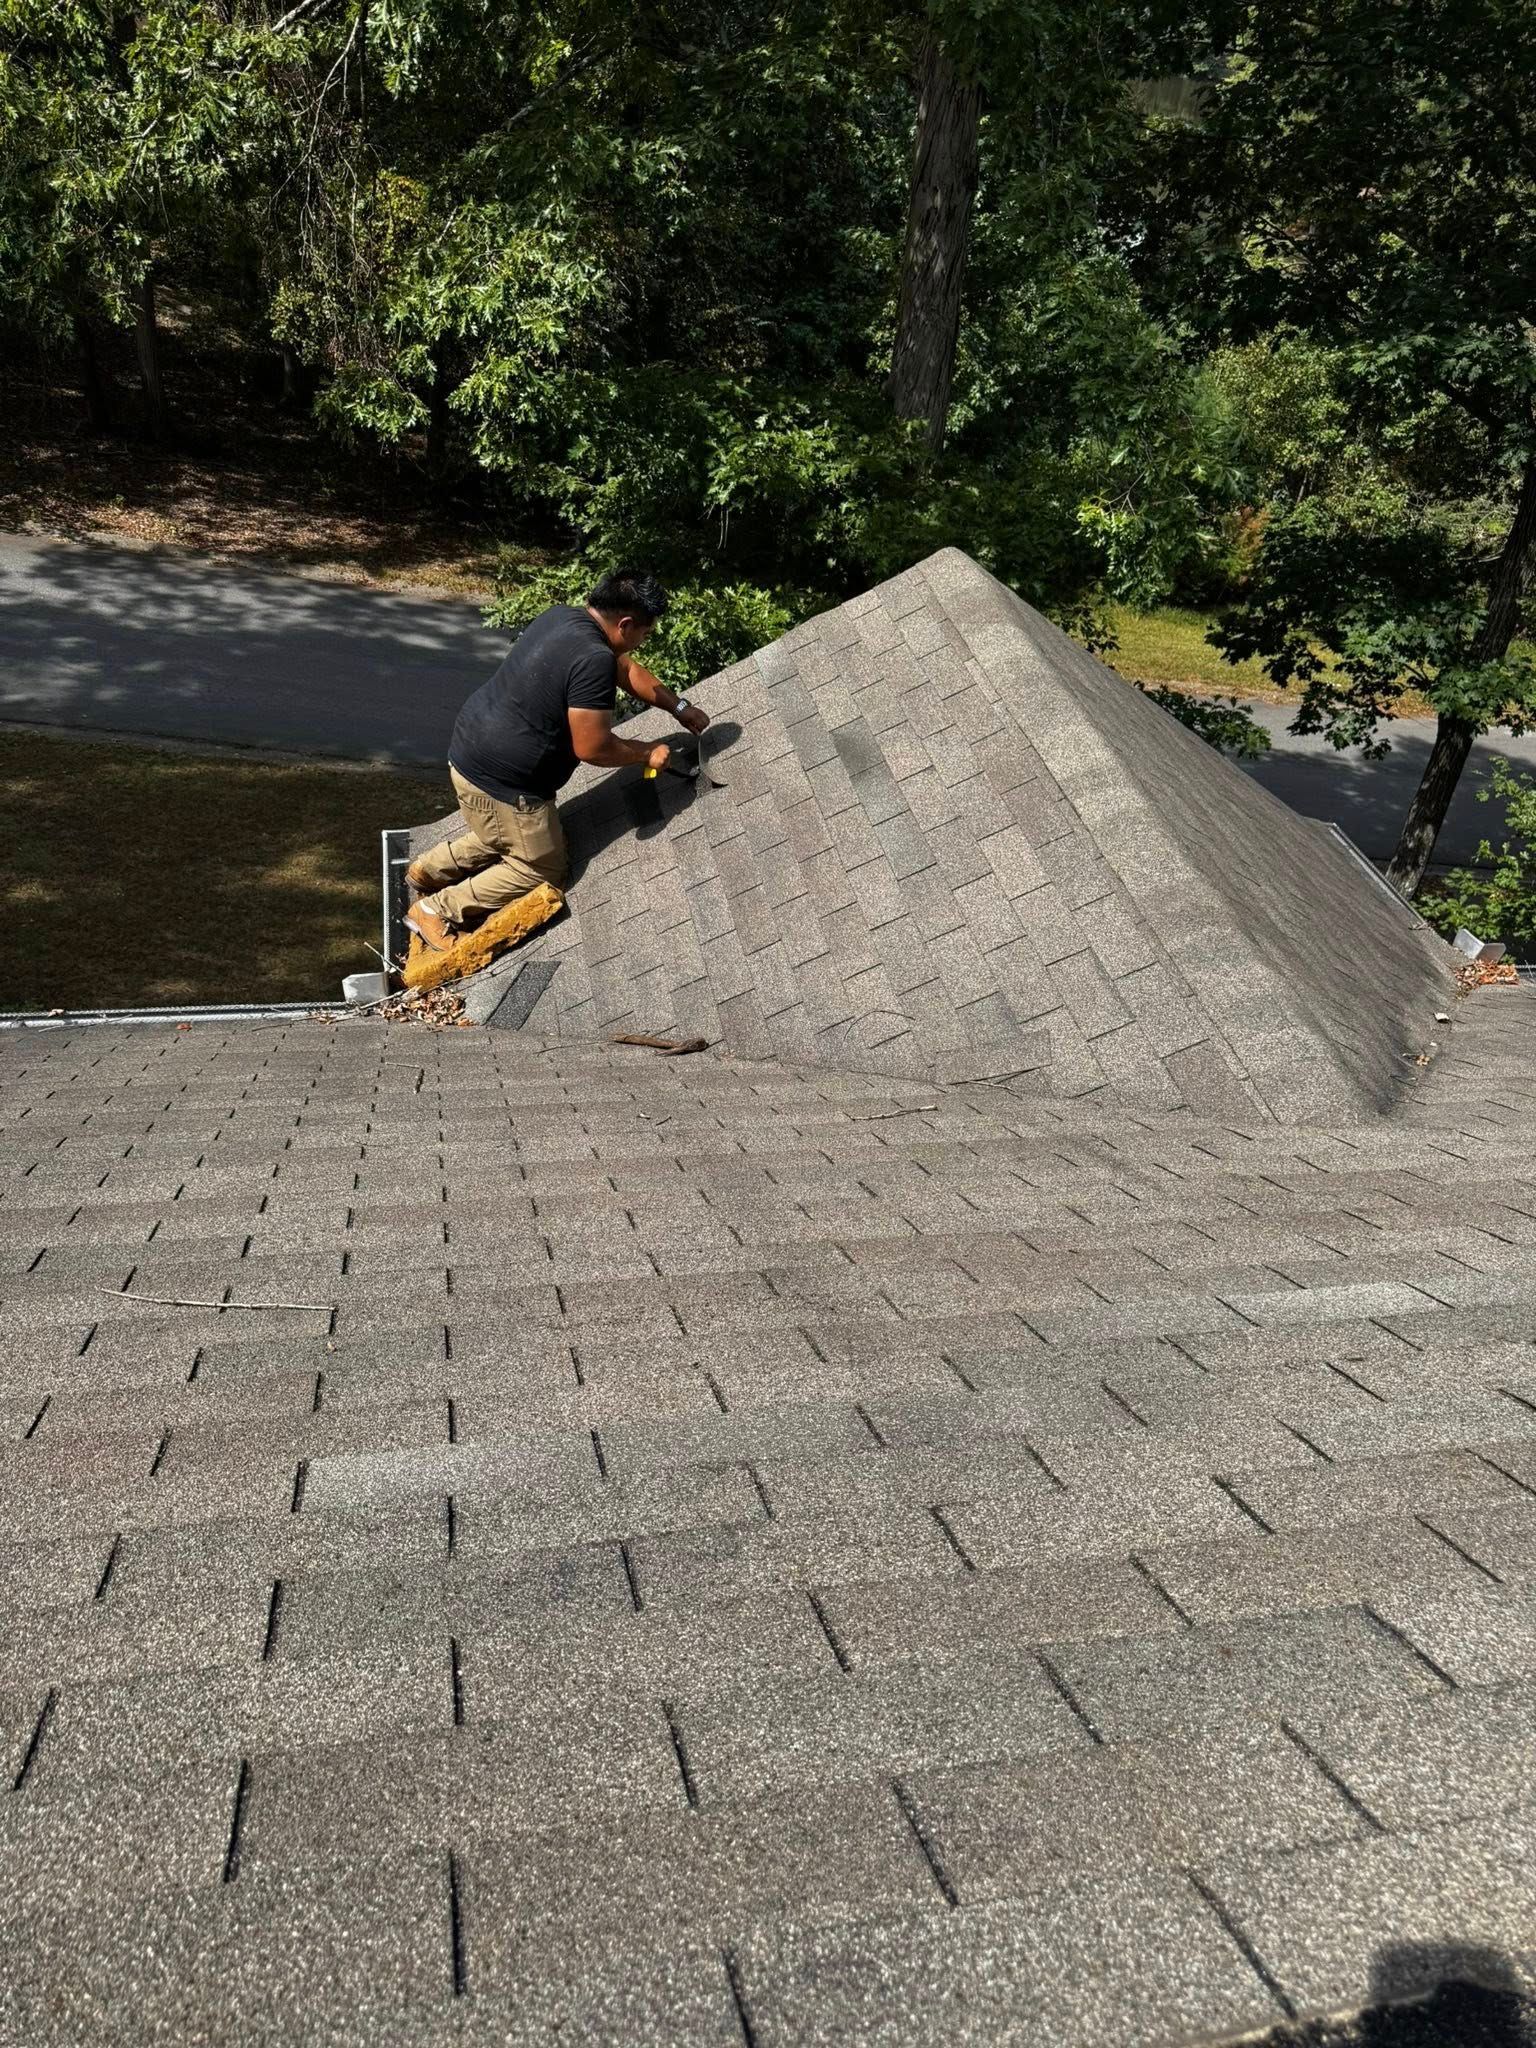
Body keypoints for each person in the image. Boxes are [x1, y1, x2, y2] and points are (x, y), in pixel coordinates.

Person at [405, 569, 710, 950]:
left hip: (471, 752)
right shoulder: (593, 659)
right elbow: (593, 747)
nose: (643, 643)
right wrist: (647, 752)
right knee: (543, 868)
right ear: (626, 624)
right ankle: (437, 909)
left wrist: (677, 706)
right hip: (504, 786)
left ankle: (429, 869)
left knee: (502, 834)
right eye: (645, 634)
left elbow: (626, 668)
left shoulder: (564, 618)